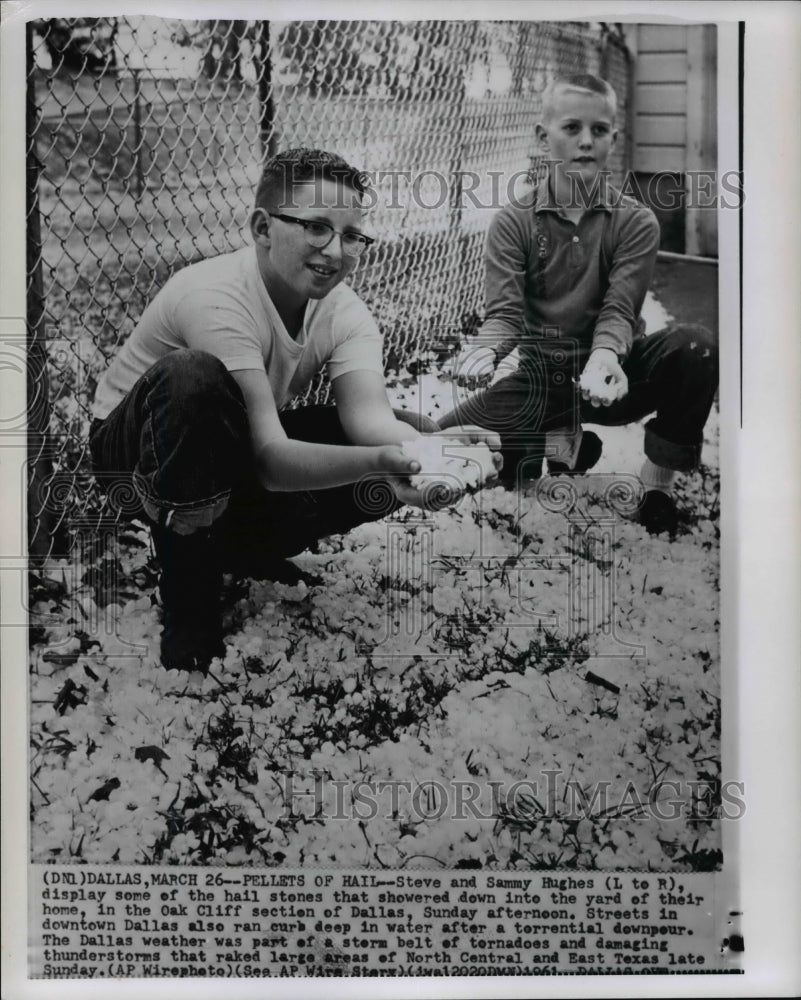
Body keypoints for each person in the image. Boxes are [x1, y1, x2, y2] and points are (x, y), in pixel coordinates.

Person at [89, 148, 500, 673]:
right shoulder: (216, 296)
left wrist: (427, 451)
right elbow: (268, 459)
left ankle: (242, 547)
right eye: (316, 228)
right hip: (135, 455)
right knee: (193, 378)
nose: (335, 251)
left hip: (230, 440)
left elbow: (367, 421)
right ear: (263, 227)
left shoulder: (345, 311)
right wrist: (382, 460)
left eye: (352, 235)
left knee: (391, 435)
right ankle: (189, 599)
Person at [438, 74, 718, 536]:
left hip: (616, 376)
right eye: (571, 128)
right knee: (450, 447)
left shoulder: (636, 221)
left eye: (599, 130)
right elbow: (504, 316)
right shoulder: (513, 222)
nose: (586, 141)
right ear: (542, 136)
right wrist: (485, 350)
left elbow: (619, 309)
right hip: (542, 377)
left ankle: (657, 488)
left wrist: (607, 356)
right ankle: (563, 444)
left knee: (696, 348)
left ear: (613, 137)